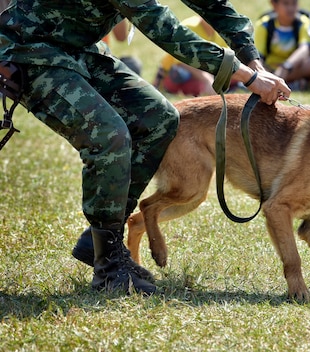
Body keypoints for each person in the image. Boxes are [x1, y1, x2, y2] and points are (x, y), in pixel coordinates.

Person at [0, 0, 290, 295]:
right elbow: (163, 27)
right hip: (30, 50)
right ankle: (109, 269)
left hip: (78, 47)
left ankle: (101, 239)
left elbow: (214, 5)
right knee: (108, 135)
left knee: (160, 118)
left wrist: (253, 60)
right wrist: (247, 77)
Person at [153, 16, 226, 96]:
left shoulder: (222, 31)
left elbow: (225, 58)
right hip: (176, 73)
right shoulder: (188, 27)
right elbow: (181, 61)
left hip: (206, 72)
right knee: (183, 75)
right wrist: (207, 79)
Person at [255, 0, 310, 90]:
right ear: (274, 5)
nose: (291, 8)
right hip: (270, 69)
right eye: (286, 3)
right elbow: (258, 56)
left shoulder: (303, 22)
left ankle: (275, 83)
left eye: (294, 3)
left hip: (292, 68)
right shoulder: (265, 24)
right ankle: (288, 83)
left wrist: (285, 67)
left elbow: (304, 49)